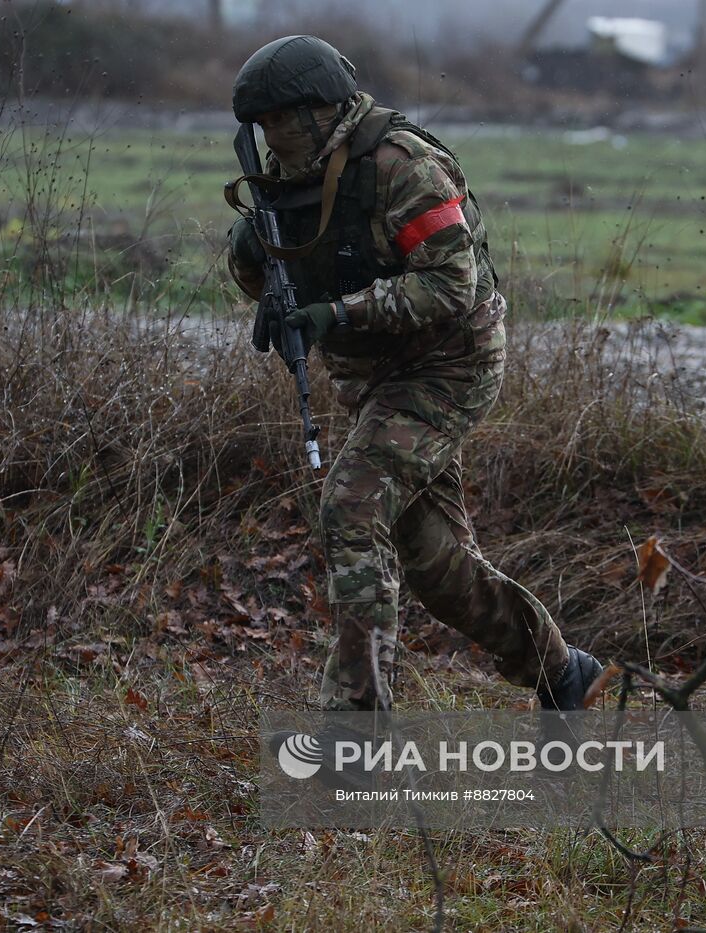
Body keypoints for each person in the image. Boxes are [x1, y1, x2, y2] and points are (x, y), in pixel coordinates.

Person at [225, 35, 603, 718]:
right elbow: (286, 271)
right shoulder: (288, 175)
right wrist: (255, 263)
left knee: (352, 505)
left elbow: (450, 284)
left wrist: (334, 312)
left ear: (317, 110)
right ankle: (562, 672)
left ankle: (354, 724)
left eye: (279, 121)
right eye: (261, 127)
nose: (270, 139)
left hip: (449, 364)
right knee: (435, 565)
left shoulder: (401, 165)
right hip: (375, 378)